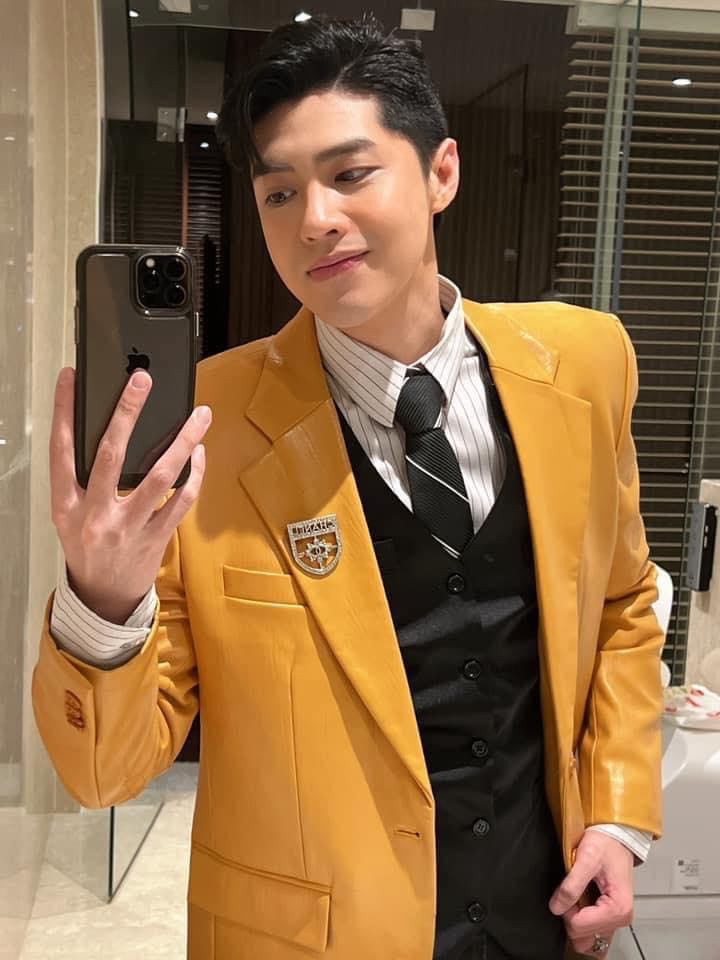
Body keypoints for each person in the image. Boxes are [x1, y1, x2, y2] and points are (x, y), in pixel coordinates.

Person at [32, 14, 664, 960]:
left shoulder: (585, 363)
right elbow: (104, 777)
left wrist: (617, 814)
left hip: (544, 916)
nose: (314, 219)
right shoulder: (206, 428)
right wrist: (101, 600)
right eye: (279, 192)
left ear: (442, 173)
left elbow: (621, 606)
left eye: (351, 174)